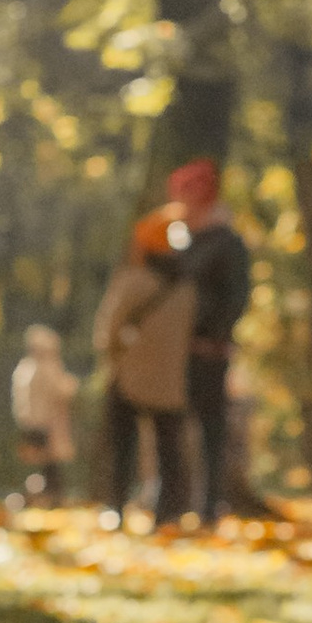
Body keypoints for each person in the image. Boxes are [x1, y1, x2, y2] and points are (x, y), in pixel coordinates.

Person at [94, 211, 194, 527]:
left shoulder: (133, 282)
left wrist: (116, 356)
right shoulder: (188, 292)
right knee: (169, 452)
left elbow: (107, 332)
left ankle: (115, 507)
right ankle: (168, 512)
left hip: (129, 378)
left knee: (121, 447)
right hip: (170, 383)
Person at [168, 159, 252, 525]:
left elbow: (235, 297)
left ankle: (208, 506)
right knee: (170, 427)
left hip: (208, 351)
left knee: (210, 430)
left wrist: (213, 335)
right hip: (171, 354)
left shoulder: (226, 242)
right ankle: (169, 502)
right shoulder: (178, 240)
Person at [10, 323, 81, 503]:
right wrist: (72, 384)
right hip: (47, 422)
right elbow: (61, 390)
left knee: (38, 462)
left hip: (30, 422)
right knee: (49, 463)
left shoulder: (24, 368)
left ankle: (36, 494)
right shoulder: (46, 367)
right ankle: (51, 495)